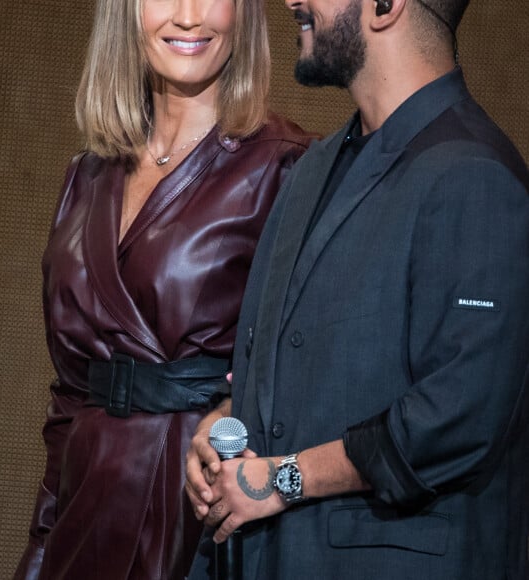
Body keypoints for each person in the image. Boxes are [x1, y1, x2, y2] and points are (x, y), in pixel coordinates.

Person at [185, 0, 529, 578]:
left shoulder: (477, 176)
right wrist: (224, 423)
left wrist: (283, 479)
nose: (293, 1)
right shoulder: (313, 169)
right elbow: (298, 371)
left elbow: (458, 417)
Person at [13, 0, 314, 577]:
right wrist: (42, 547)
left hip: (202, 518)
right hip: (86, 511)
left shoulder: (291, 168)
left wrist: (232, 410)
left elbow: (311, 382)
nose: (188, 15)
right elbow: (70, 399)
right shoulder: (86, 175)